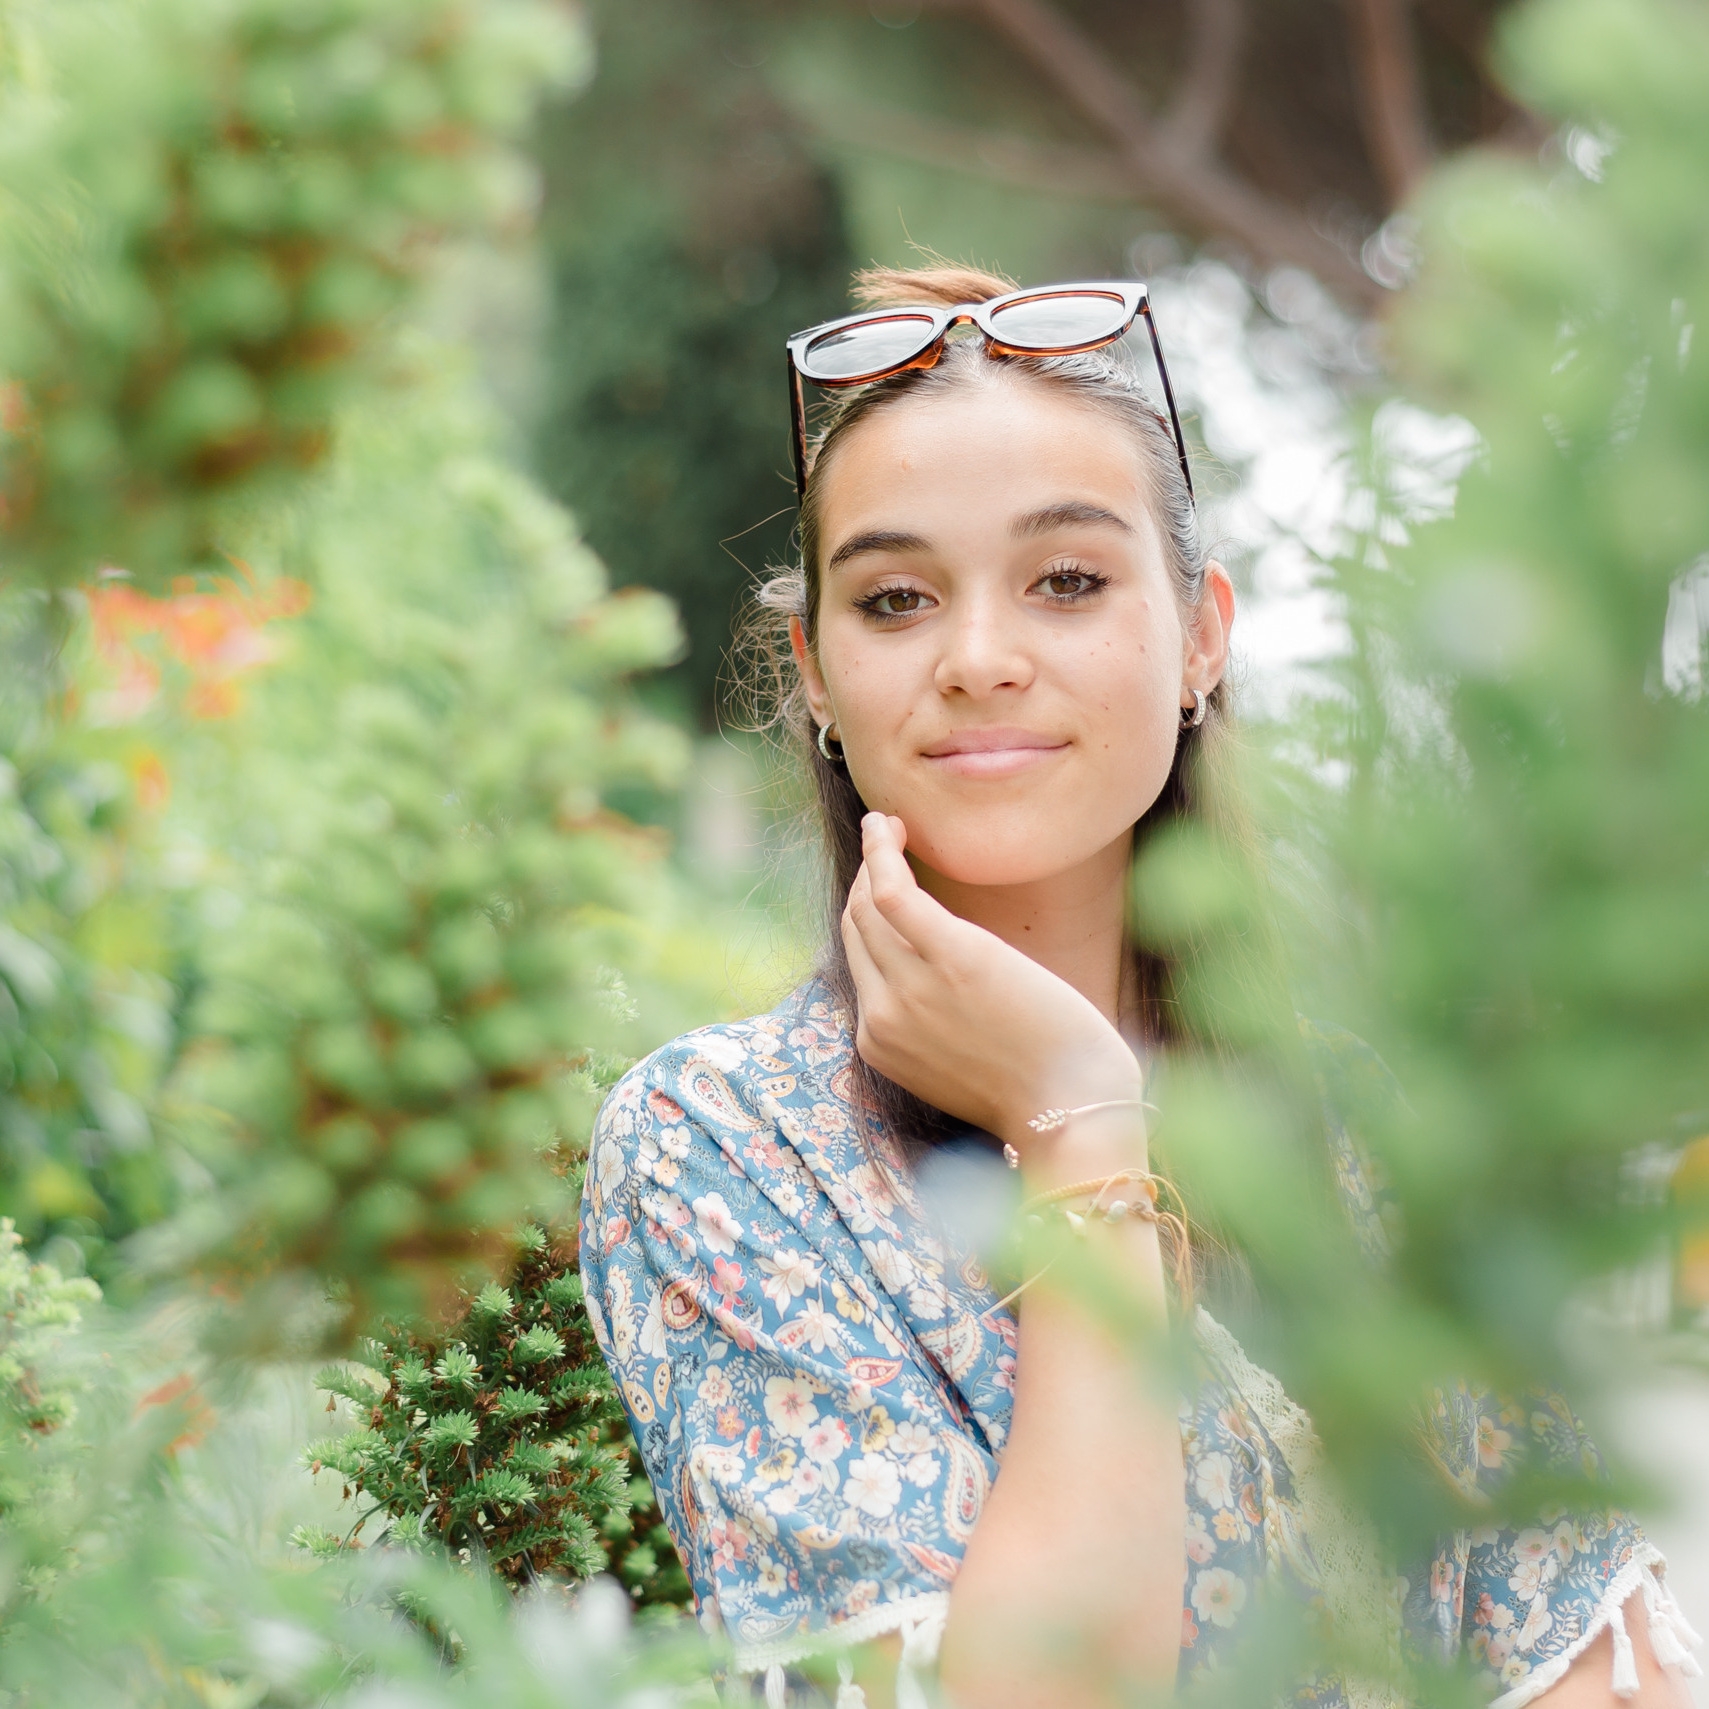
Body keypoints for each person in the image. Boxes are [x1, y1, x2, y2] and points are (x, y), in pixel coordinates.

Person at [579, 264, 1701, 1708]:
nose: (979, 659)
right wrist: (1077, 1129)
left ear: (1201, 634)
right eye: (897, 596)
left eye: (1066, 580)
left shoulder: (1368, 1130)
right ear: (813, 672)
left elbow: (1597, 1672)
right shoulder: (721, 1146)